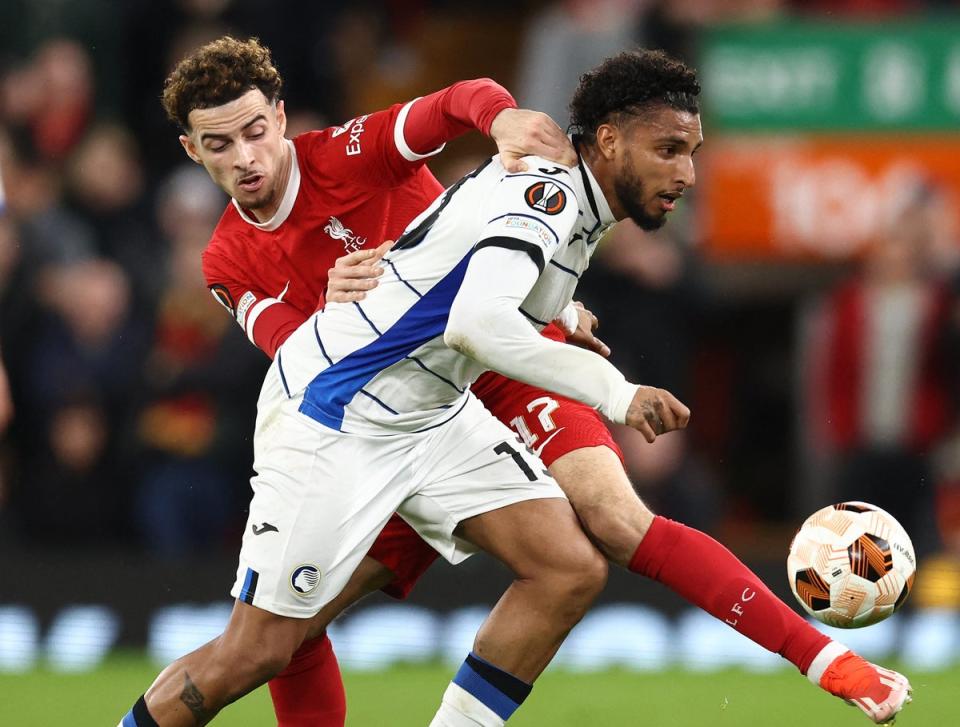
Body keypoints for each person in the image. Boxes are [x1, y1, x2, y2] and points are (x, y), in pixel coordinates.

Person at [118, 39, 911, 727]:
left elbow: (462, 136)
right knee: (262, 647)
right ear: (193, 150)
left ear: (281, 117)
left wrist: (509, 161)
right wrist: (616, 391)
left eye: (257, 131)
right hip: (337, 414)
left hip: (443, 398)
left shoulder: (498, 185)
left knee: (575, 560)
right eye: (671, 150)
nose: (689, 173)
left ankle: (830, 665)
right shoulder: (540, 199)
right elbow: (459, 321)